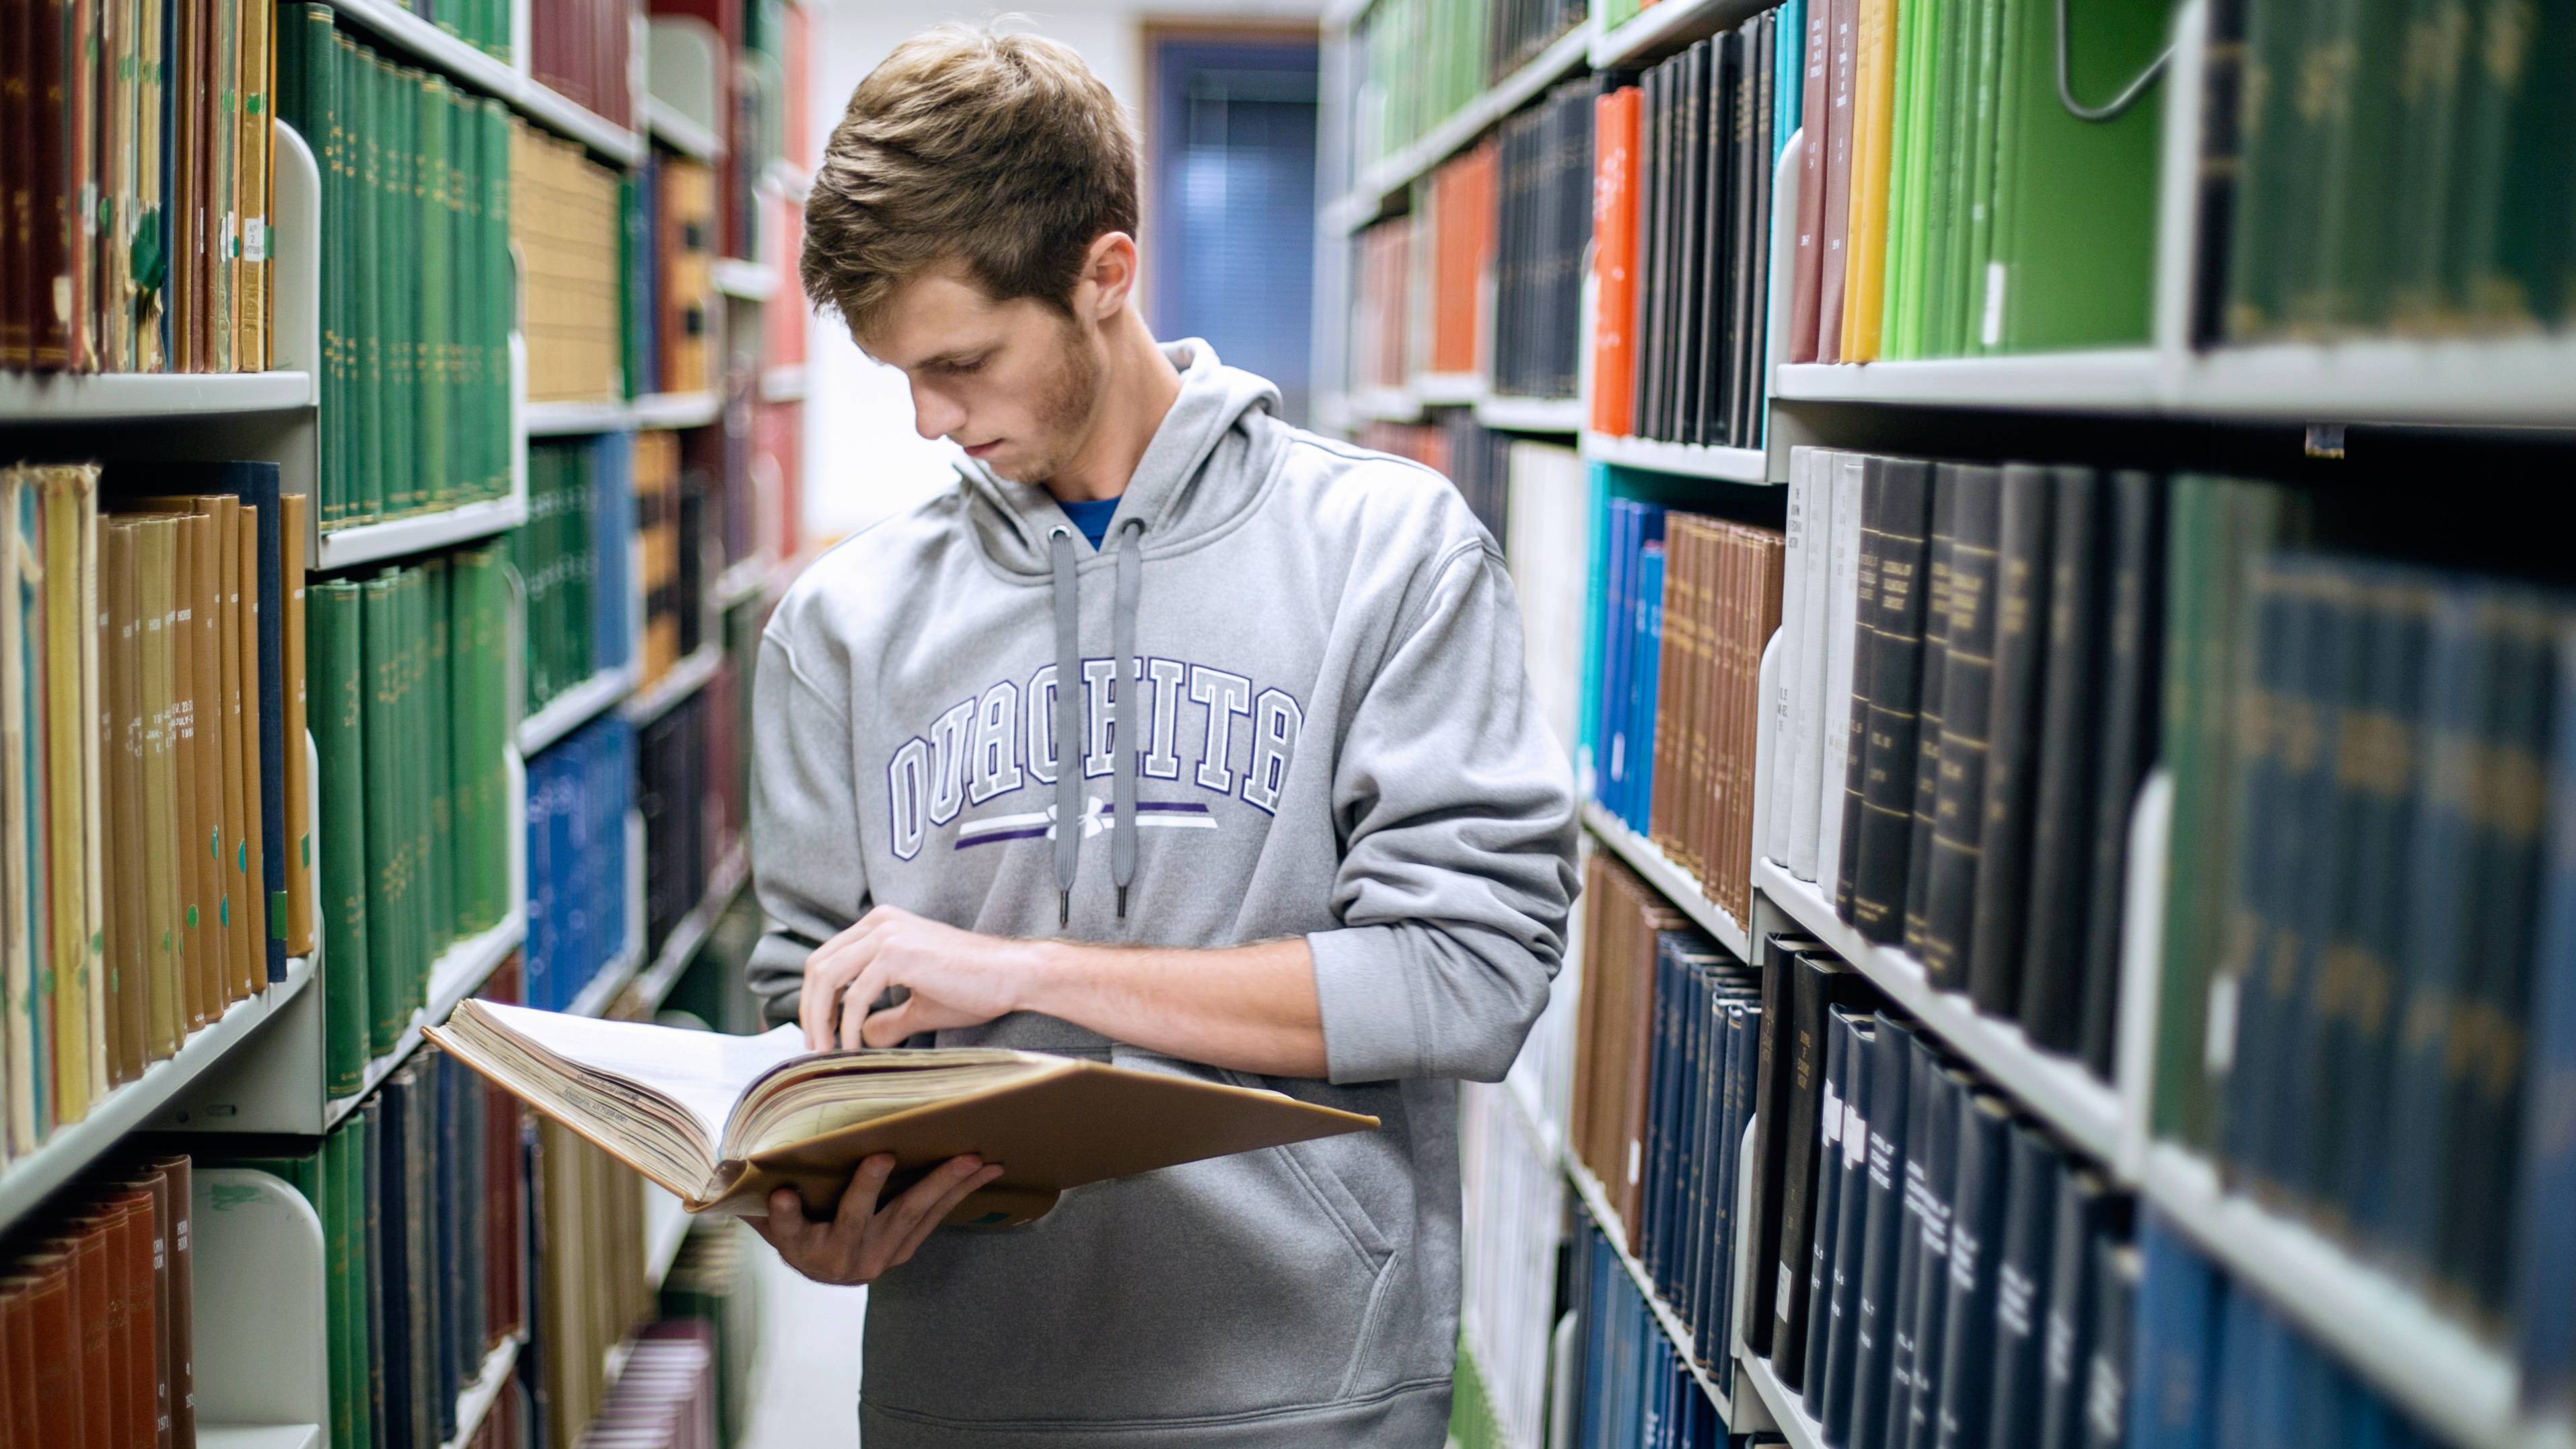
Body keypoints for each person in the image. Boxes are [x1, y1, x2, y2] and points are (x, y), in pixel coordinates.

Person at [746, 21, 1578, 1446]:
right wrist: (813, 1203)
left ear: (1106, 273)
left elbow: (1472, 974)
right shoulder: (839, 626)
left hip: (1311, 1385)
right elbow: (806, 1008)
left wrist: (1020, 972)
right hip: (964, 1389)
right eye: (900, 375)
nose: (932, 420)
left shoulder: (1387, 552)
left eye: (963, 361)